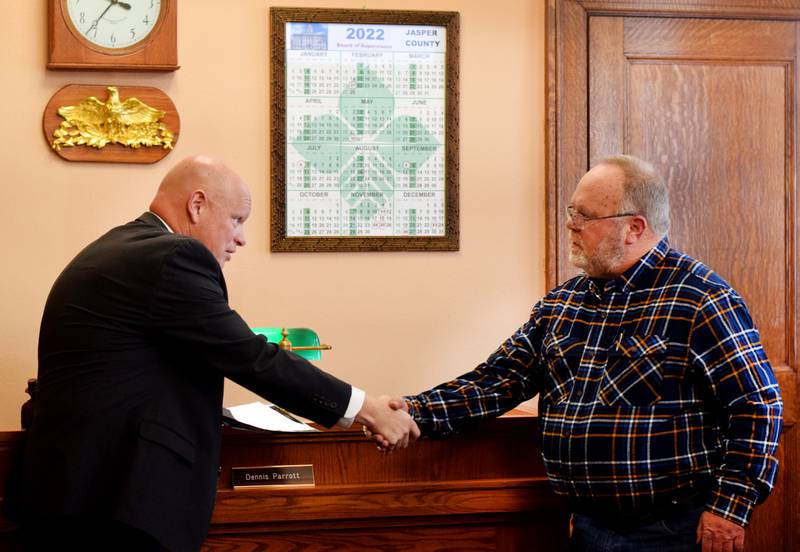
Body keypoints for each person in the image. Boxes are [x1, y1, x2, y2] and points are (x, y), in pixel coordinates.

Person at [3, 155, 419, 552]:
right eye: (237, 220)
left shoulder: (124, 248)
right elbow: (251, 357)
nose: (241, 238)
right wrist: (368, 409)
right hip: (111, 508)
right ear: (197, 204)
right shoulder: (172, 257)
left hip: (75, 497)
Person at [389, 155, 782, 551]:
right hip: (588, 527)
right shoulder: (563, 303)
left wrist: (731, 507)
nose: (570, 223)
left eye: (586, 215)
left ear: (634, 227)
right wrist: (413, 412)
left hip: (672, 530)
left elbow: (757, 405)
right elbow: (498, 379)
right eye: (571, 210)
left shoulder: (700, 298)